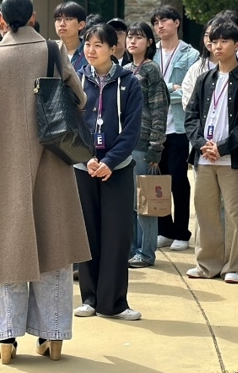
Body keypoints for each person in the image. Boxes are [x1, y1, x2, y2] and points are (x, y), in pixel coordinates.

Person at [0, 0, 91, 363]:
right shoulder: (52, 51)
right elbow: (78, 99)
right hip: (52, 160)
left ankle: (6, 339)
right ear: (33, 17)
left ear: (1, 20)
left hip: (1, 167)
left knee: (7, 252)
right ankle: (53, 338)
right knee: (55, 251)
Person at [74, 24, 143, 320]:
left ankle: (114, 302)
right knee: (87, 233)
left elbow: (132, 130)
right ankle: (89, 298)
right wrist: (87, 158)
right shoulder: (76, 80)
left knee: (116, 234)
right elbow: (70, 123)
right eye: (88, 44)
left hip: (118, 168)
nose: (91, 49)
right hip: (83, 167)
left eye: (98, 44)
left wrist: (110, 162)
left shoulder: (130, 81)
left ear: (114, 48)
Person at [184, 21, 238, 284]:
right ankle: (208, 264)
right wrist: (202, 143)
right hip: (204, 157)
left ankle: (235, 265)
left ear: (237, 45)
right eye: (214, 41)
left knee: (237, 214)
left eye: (224, 41)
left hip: (232, 159)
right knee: (205, 211)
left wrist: (223, 147)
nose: (217, 46)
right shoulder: (205, 78)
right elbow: (190, 116)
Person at [151, 5, 200, 252]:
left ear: (177, 23)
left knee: (179, 180)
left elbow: (190, 91)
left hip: (179, 127)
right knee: (158, 180)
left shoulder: (190, 54)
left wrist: (163, 92)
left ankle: (182, 231)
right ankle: (165, 229)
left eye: (165, 21)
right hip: (155, 129)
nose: (160, 26)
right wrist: (173, 88)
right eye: (156, 22)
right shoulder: (151, 51)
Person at [122, 22, 169, 269]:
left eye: (139, 38)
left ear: (149, 42)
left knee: (145, 203)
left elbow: (159, 108)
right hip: (125, 144)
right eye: (130, 37)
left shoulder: (151, 69)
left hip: (144, 145)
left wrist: (155, 146)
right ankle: (131, 249)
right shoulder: (126, 68)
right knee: (129, 202)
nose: (132, 41)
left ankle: (146, 253)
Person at [182, 16, 219, 110]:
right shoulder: (196, 68)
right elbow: (187, 100)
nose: (209, 39)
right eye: (206, 35)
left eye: (213, 35)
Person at [53, 1, 88, 73]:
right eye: (58, 19)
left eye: (68, 19)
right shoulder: (49, 51)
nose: (62, 24)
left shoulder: (90, 51)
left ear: (81, 25)